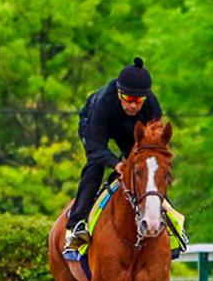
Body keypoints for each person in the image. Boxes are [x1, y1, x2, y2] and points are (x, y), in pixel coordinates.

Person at [63, 57, 162, 258]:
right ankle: (76, 224)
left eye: (139, 101)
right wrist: (117, 164)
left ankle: (171, 223)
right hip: (95, 125)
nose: (134, 106)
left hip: (130, 131)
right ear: (119, 93)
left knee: (148, 168)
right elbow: (95, 146)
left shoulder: (151, 105)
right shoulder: (104, 103)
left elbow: (154, 146)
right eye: (129, 100)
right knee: (96, 166)